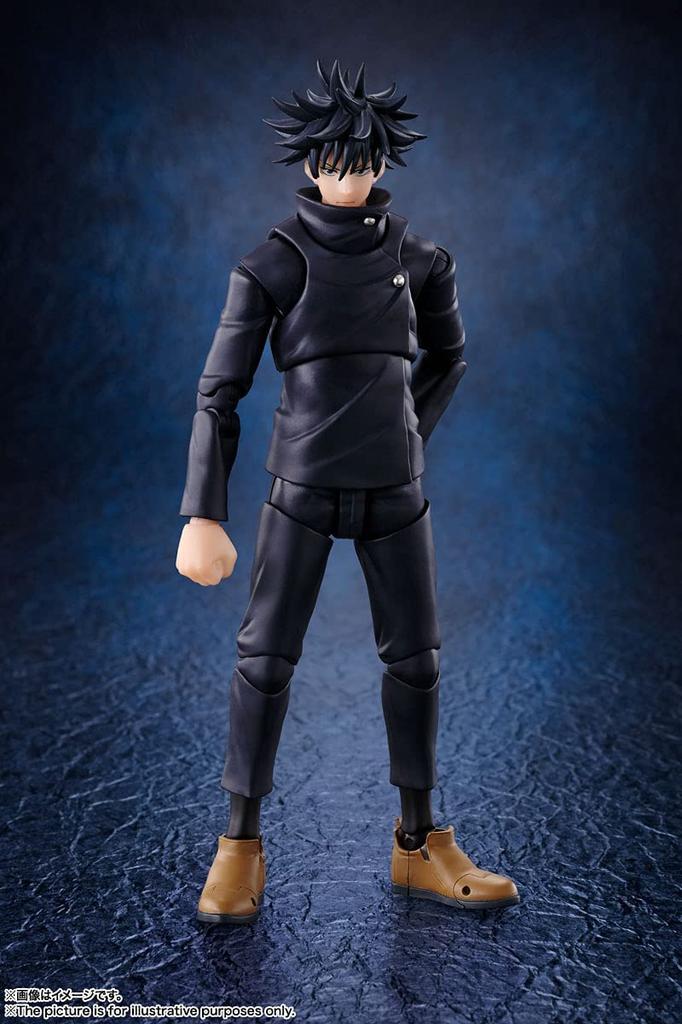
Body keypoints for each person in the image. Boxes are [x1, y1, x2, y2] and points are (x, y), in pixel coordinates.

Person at [176, 59, 520, 923]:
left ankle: (419, 843)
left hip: (395, 494)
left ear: (383, 163)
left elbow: (450, 357)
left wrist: (409, 435)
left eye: (364, 160)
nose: (350, 175)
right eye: (335, 160)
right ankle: (239, 845)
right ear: (310, 162)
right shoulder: (274, 264)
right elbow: (219, 393)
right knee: (265, 661)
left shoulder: (421, 260)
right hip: (300, 489)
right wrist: (203, 512)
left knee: (416, 662)